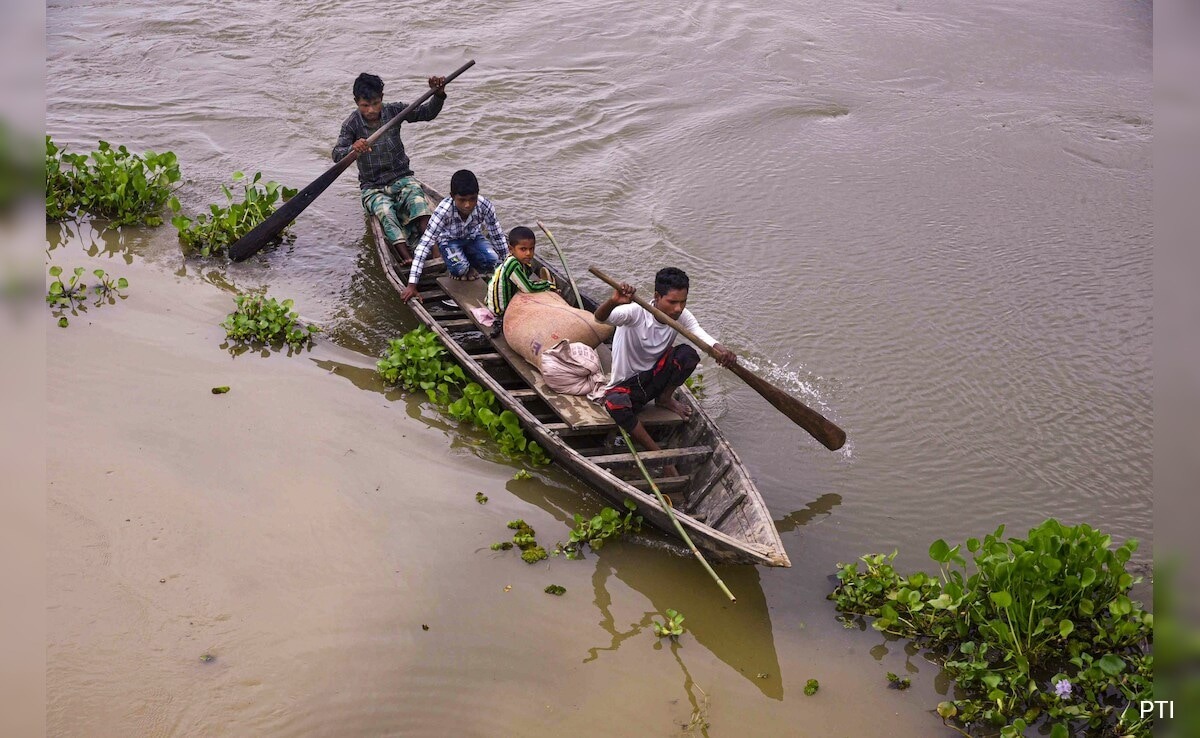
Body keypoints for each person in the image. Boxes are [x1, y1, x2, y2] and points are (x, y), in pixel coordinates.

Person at [595, 267, 737, 478]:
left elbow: (701, 335)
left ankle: (665, 398)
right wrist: (614, 300)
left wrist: (722, 350)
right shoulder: (635, 312)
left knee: (688, 354)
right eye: (672, 302)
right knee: (614, 403)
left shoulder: (682, 316)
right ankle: (658, 454)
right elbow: (601, 318)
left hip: (653, 380)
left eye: (683, 302)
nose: (678, 308)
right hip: (628, 385)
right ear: (657, 297)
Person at [332, 72, 447, 260]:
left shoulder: (394, 111)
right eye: (365, 105)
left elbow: (427, 113)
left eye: (375, 103)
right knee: (385, 211)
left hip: (401, 176)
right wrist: (353, 148)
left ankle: (436, 254)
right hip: (373, 186)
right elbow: (337, 154)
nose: (371, 110)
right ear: (356, 102)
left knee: (419, 203)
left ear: (382, 99)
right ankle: (406, 258)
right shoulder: (351, 125)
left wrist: (438, 94)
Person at [401, 170, 506, 303]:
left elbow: (497, 235)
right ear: (452, 196)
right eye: (462, 200)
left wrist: (507, 265)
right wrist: (412, 285)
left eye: (472, 199)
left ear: (477, 195)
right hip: (449, 242)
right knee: (460, 268)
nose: (467, 205)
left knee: (493, 260)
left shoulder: (485, 206)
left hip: (473, 238)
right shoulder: (443, 211)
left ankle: (469, 265)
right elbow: (424, 245)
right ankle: (461, 267)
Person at [485, 225, 557, 318]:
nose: (528, 253)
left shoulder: (516, 260)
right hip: (501, 311)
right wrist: (549, 285)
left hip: (492, 304)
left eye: (531, 249)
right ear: (511, 249)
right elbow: (528, 289)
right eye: (523, 249)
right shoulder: (513, 264)